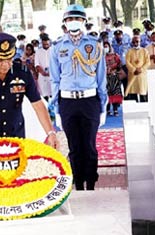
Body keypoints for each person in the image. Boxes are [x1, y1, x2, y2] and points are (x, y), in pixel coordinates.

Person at [50, 4, 107, 191]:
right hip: (67, 101)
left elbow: (101, 78)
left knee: (89, 146)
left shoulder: (95, 45)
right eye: (69, 19)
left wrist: (103, 105)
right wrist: (57, 108)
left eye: (78, 19)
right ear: (65, 23)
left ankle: (90, 183)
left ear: (84, 22)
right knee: (74, 147)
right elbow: (55, 80)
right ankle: (78, 184)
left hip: (89, 100)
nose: (74, 22)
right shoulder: (57, 47)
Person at [124, 35, 149, 102]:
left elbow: (148, 62)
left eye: (137, 41)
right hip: (133, 75)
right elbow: (127, 62)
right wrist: (134, 70)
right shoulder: (129, 51)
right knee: (133, 95)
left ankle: (144, 109)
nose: (135, 43)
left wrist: (141, 69)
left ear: (140, 41)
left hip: (142, 76)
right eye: (134, 42)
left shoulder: (145, 51)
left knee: (143, 93)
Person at [104, 41, 124, 115]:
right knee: (106, 93)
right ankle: (108, 109)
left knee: (115, 93)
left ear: (109, 47)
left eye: (107, 46)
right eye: (104, 46)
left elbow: (120, 65)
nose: (105, 48)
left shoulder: (115, 56)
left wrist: (114, 70)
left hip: (114, 77)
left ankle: (115, 109)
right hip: (105, 78)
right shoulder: (101, 56)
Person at [34, 34, 53, 100]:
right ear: (41, 43)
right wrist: (43, 72)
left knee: (52, 93)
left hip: (52, 75)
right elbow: (36, 64)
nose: (45, 46)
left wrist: (52, 72)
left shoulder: (53, 51)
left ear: (49, 43)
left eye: (47, 44)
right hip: (42, 76)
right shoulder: (38, 52)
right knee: (43, 94)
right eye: (44, 44)